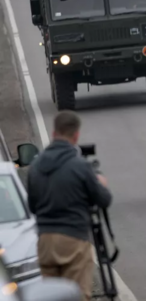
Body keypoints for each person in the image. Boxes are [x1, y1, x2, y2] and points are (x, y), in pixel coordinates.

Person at [27, 111, 113, 301]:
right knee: (77, 294)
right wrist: (100, 183)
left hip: (45, 241)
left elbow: (32, 206)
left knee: (51, 297)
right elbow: (104, 200)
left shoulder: (36, 166)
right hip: (73, 238)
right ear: (76, 135)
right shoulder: (80, 166)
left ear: (53, 133)